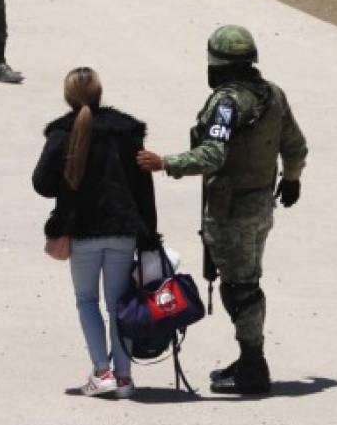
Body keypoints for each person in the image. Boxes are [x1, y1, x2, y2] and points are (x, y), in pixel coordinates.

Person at [137, 25, 308, 395]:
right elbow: (295, 144)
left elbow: (212, 155)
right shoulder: (272, 95)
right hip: (261, 204)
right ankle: (249, 360)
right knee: (244, 280)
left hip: (231, 212)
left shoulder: (227, 104)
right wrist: (292, 179)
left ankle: (253, 367)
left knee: (240, 288)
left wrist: (165, 162)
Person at [32, 67, 157, 398]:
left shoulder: (62, 132)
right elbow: (144, 188)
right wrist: (150, 236)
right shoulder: (127, 131)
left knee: (87, 300)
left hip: (82, 231)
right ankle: (125, 378)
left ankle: (102, 372)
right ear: (100, 93)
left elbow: (42, 184)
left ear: (68, 96)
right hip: (123, 230)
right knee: (120, 304)